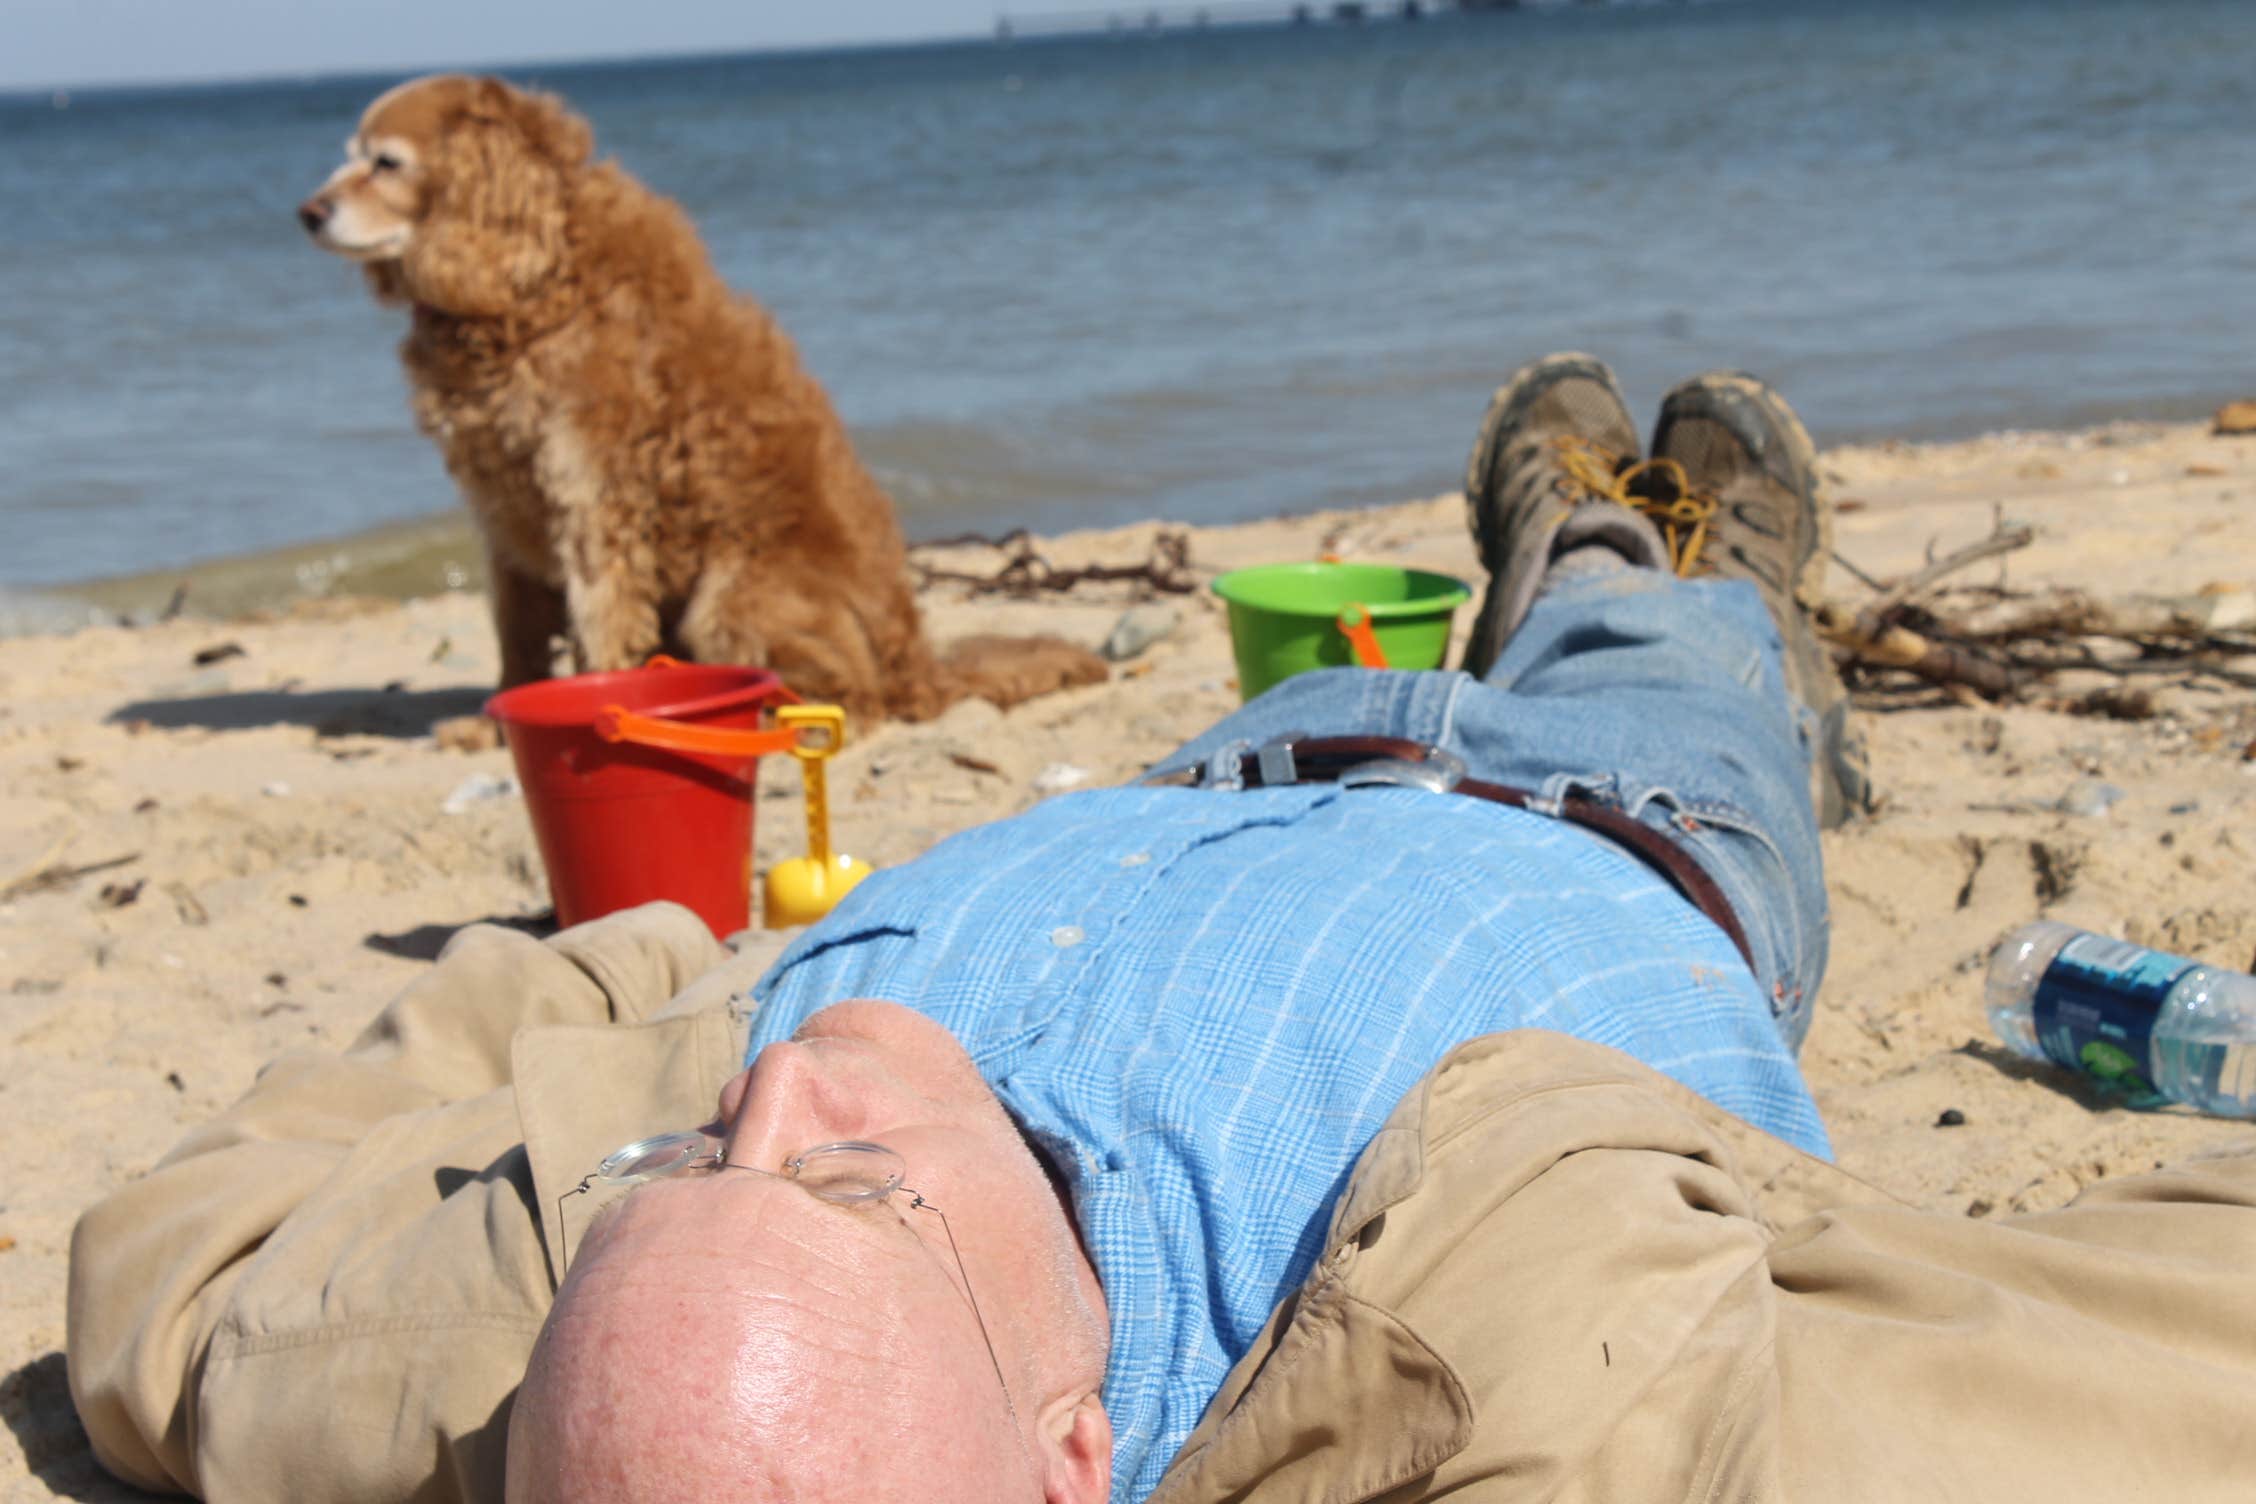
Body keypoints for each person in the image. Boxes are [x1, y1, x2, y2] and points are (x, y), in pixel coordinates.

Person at [68, 357, 2256, 1504]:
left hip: (1217, 764)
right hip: (1608, 816)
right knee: (1660, 638)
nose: (784, 1082)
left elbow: (182, 1262)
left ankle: (1574, 551)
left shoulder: (548, 1386)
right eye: (848, 1185)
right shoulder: (1504, 1369)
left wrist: (640, 975)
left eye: (691, 1163)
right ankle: (1649, 557)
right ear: (1073, 1444)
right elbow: (2165, 1350)